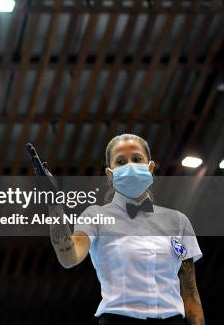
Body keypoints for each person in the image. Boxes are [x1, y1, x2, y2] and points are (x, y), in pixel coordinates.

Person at [48, 134, 204, 325]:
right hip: (119, 320)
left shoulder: (178, 221)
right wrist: (54, 205)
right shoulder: (95, 216)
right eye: (120, 161)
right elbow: (68, 257)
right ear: (110, 174)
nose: (130, 165)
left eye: (137, 159)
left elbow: (190, 292)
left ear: (150, 167)